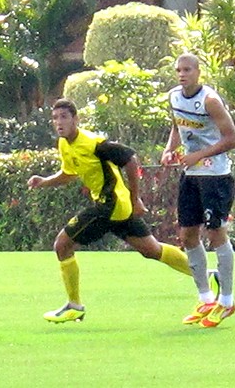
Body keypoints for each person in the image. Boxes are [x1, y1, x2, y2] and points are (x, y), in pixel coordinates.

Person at [28, 98, 192, 324]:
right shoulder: (65, 144)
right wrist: (44, 181)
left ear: (76, 119)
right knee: (152, 250)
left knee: (62, 245)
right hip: (117, 206)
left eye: (64, 117)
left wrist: (136, 199)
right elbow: (69, 174)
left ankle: (74, 306)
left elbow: (130, 159)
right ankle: (206, 276)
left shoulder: (94, 143)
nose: (59, 122)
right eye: (55, 118)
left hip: (110, 205)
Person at [161, 53, 235, 328]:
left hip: (215, 175)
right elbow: (177, 125)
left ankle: (227, 301)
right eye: (178, 70)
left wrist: (199, 154)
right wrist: (170, 148)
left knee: (216, 233)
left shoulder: (210, 101)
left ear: (198, 72)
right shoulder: (173, 96)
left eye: (187, 70)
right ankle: (206, 298)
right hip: (191, 176)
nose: (182, 74)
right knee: (187, 234)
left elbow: (232, 139)